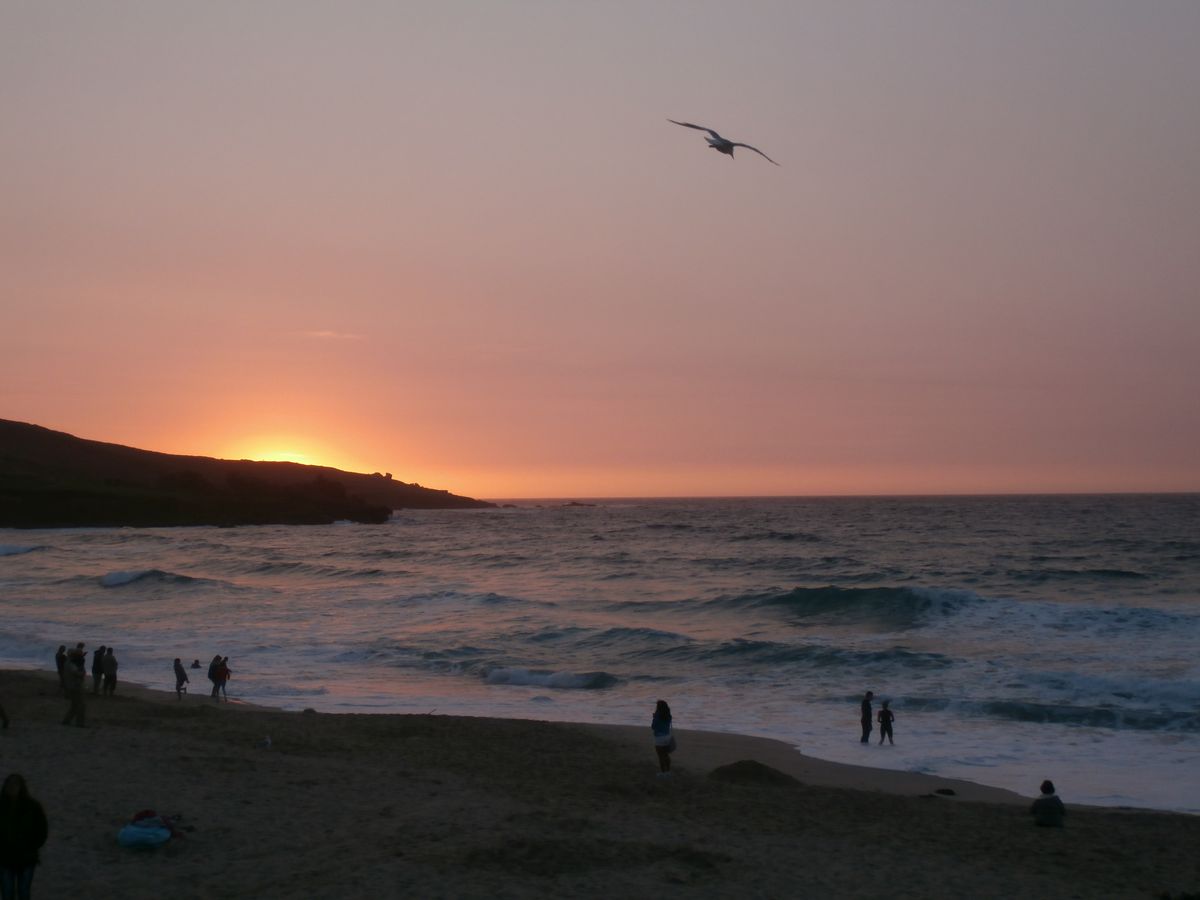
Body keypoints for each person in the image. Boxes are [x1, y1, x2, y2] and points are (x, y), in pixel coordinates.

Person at [0, 774, 48, 900]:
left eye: (15, 784)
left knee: (24, 892)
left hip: (26, 858)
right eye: (9, 785)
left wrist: (32, 846)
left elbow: (42, 829)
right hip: (5, 858)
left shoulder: (33, 807)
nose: (12, 788)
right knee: (7, 893)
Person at [62, 644, 87, 727]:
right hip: (76, 686)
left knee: (74, 705)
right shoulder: (71, 664)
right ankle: (80, 723)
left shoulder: (68, 662)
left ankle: (66, 720)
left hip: (71, 685)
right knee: (81, 705)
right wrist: (82, 670)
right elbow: (78, 673)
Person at [651, 700, 675, 776]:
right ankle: (668, 771)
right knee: (666, 755)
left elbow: (653, 727)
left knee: (661, 756)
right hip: (667, 737)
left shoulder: (658, 715)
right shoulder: (669, 715)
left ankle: (663, 773)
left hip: (659, 738)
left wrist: (654, 717)